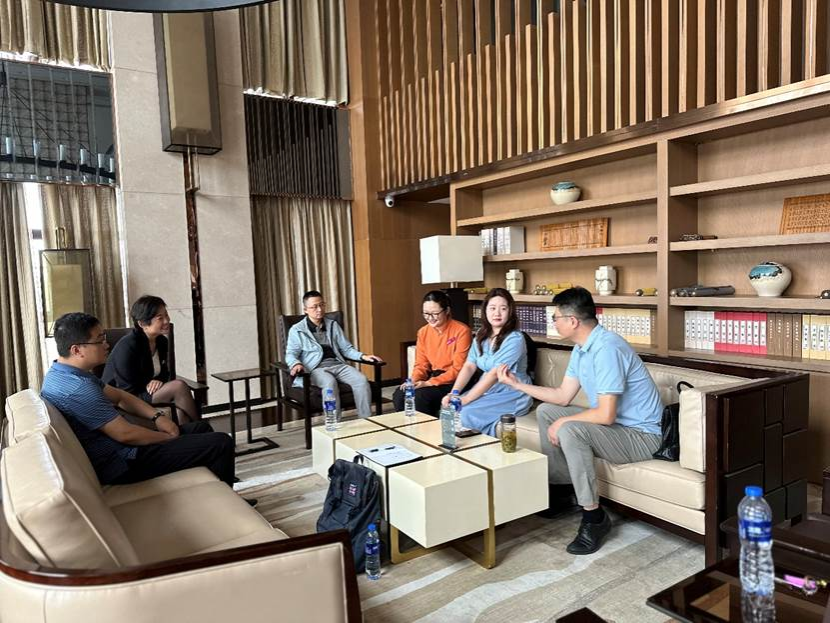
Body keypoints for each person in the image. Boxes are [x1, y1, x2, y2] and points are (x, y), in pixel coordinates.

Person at [497, 286, 663, 556]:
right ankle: (564, 492)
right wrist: (517, 385)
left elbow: (606, 414)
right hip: (617, 428)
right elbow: (562, 396)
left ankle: (594, 517)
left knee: (571, 429)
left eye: (556, 318)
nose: (554, 322)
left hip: (642, 436)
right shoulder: (582, 348)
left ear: (572, 321)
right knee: (547, 411)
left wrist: (564, 424)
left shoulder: (607, 348)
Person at [41, 312, 236, 489]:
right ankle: (225, 505)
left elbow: (120, 396)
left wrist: (158, 417)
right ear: (76, 350)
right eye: (100, 340)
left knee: (201, 428)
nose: (107, 345)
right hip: (122, 462)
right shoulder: (78, 388)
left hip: (122, 449)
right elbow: (125, 434)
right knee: (221, 443)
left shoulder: (63, 373)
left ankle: (211, 488)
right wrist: (167, 437)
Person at [441, 288, 532, 436]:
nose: (497, 313)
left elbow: (494, 374)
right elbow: (469, 366)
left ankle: (479, 449)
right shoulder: (480, 335)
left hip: (512, 393)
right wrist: (454, 393)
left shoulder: (515, 339)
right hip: (488, 389)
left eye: (503, 308)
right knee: (450, 408)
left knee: (464, 413)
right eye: (492, 308)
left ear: (510, 312)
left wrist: (466, 399)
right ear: (485, 311)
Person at [285, 290, 383, 419]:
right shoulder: (297, 330)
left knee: (361, 380)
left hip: (338, 365)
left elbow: (346, 349)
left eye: (322, 305)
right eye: (314, 307)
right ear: (305, 310)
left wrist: (363, 356)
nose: (319, 309)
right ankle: (333, 422)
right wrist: (296, 363)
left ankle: (366, 419)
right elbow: (291, 353)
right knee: (329, 383)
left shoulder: (332, 325)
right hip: (315, 369)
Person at [102, 295, 199, 423]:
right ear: (142, 324)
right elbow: (125, 389)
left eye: (166, 315)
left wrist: (158, 380)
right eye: (160, 318)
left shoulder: (161, 341)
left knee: (181, 413)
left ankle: (192, 433)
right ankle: (201, 428)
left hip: (146, 392)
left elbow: (165, 373)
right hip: (125, 398)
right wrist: (148, 383)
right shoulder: (128, 346)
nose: (167, 321)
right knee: (179, 386)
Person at [392, 290, 472, 416]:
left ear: (447, 311)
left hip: (456, 380)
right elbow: (421, 364)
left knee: (421, 396)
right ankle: (407, 426)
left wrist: (429, 383)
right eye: (426, 313)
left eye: (435, 313)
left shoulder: (462, 331)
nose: (430, 318)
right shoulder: (423, 332)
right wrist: (413, 381)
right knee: (400, 394)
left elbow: (458, 368)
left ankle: (427, 428)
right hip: (435, 376)